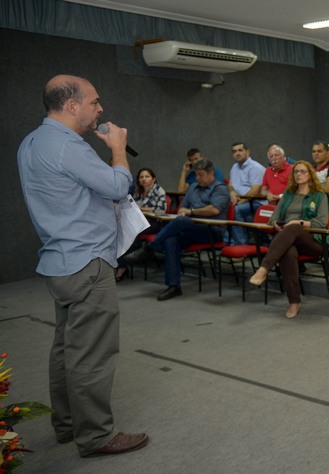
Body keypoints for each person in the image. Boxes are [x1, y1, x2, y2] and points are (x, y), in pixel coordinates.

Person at [17, 74, 148, 457]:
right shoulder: (68, 146)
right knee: (92, 354)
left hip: (60, 261)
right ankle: (96, 436)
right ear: (72, 106)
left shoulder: (32, 142)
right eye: (94, 101)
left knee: (66, 348)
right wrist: (119, 150)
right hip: (88, 262)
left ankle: (67, 424)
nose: (100, 108)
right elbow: (118, 186)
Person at [129, 159, 230, 300]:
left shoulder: (221, 188)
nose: (197, 178)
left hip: (211, 231)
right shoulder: (193, 187)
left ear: (210, 173)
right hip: (190, 229)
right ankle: (174, 286)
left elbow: (214, 209)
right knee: (171, 240)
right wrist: (185, 210)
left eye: (201, 175)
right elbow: (183, 207)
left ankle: (150, 248)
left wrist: (191, 211)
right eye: (196, 175)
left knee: (182, 220)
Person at [248, 161, 329, 319]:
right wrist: (277, 224)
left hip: (312, 241)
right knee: (288, 253)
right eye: (296, 171)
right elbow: (273, 219)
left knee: (293, 227)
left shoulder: (319, 195)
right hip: (287, 239)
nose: (299, 174)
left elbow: (322, 223)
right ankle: (294, 301)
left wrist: (299, 223)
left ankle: (264, 268)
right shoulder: (288, 195)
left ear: (310, 174)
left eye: (303, 171)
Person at [228, 142, 267, 245]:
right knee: (220, 207)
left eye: (240, 150)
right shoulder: (234, 167)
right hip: (242, 200)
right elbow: (231, 186)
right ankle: (229, 242)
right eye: (234, 151)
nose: (237, 153)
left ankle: (241, 245)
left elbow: (254, 191)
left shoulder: (255, 167)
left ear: (247, 152)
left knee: (236, 210)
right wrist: (232, 193)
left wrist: (239, 203)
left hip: (256, 202)